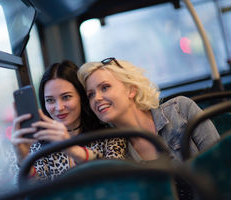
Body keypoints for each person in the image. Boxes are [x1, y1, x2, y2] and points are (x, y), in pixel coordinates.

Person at [77, 57, 220, 163]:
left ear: (131, 90)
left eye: (105, 87)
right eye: (91, 94)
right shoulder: (116, 152)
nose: (97, 98)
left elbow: (221, 161)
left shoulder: (180, 110)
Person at [11, 60, 126, 180]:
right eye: (50, 100)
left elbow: (114, 181)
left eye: (66, 97)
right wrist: (23, 159)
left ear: (81, 97)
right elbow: (33, 193)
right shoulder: (38, 147)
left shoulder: (109, 136)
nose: (59, 107)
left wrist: (71, 148)